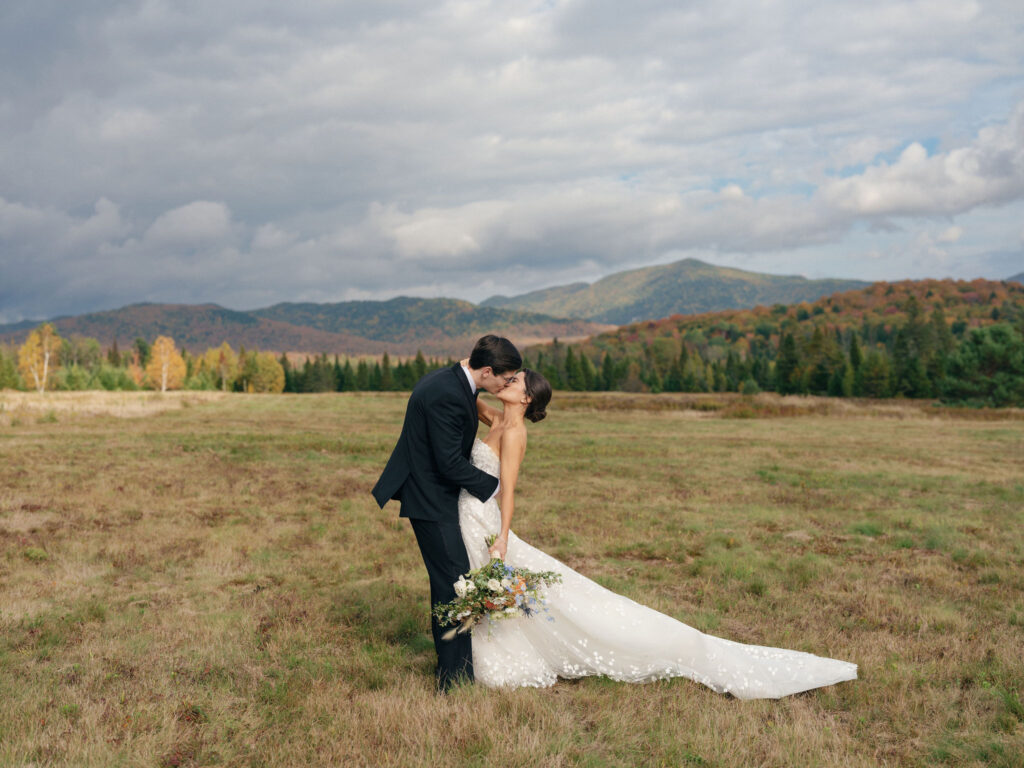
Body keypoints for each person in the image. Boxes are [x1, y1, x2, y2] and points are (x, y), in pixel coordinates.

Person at [460, 369, 858, 697]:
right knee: (523, 592)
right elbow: (466, 390)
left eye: (515, 381)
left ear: (527, 398)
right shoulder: (496, 419)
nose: (507, 382)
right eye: (507, 379)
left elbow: (508, 492)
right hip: (472, 514)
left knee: (554, 596)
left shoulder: (514, 434)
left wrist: (504, 537)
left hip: (490, 519)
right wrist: (465, 373)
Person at [372, 335, 521, 692]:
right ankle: (452, 681)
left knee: (453, 582)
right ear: (487, 371)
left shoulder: (455, 381)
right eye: (505, 378)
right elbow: (449, 463)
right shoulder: (448, 393)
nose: (507, 384)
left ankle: (457, 672)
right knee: (453, 587)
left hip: (439, 496)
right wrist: (497, 488)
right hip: (431, 499)